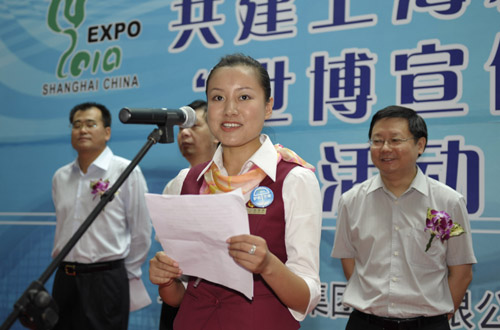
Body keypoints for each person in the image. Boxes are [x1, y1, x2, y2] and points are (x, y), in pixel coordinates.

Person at [149, 53, 322, 329]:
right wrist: (166, 278)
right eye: (218, 98)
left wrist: (268, 265)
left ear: (268, 107)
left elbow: (306, 299)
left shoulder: (294, 179)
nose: (230, 109)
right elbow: (179, 297)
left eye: (244, 97)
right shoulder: (187, 181)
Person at [331, 105, 477, 330]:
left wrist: (434, 320)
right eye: (377, 141)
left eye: (395, 140)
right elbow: (349, 260)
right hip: (366, 323)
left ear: (420, 145)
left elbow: (461, 272)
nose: (385, 148)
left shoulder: (447, 203)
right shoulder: (351, 201)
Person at [51, 102, 152, 330]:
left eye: (90, 124)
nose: (82, 130)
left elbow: (141, 231)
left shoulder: (125, 170)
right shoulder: (60, 177)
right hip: (65, 279)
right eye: (77, 125)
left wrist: (124, 274)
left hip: (107, 280)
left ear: (107, 132)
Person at [159, 99, 218, 330]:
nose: (184, 133)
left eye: (194, 126)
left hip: (217, 299)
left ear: (217, 134)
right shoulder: (175, 185)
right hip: (178, 296)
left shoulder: (236, 182)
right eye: (182, 127)